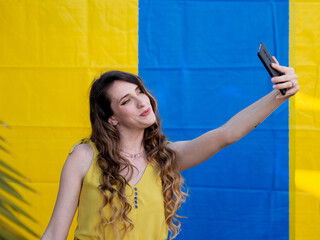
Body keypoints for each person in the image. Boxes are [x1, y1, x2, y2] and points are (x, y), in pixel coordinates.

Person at [41, 57, 299, 240]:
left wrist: (279, 96)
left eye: (139, 91)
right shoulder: (84, 156)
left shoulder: (165, 158)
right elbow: (55, 233)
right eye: (127, 100)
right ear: (112, 118)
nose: (142, 101)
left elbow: (226, 134)